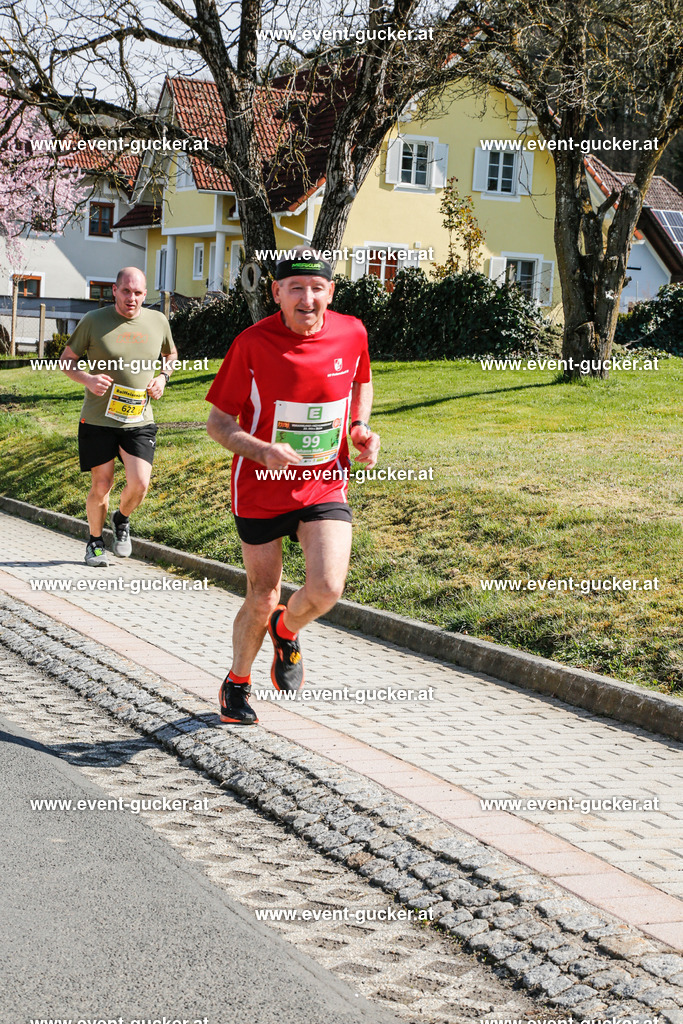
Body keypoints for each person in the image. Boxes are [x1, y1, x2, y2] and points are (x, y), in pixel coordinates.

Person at [206, 249, 380, 725]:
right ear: (277, 292)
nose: (308, 298)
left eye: (317, 288)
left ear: (331, 292)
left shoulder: (352, 331)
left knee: (326, 588)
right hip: (260, 488)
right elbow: (218, 423)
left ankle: (288, 629)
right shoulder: (252, 343)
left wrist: (360, 427)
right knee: (262, 593)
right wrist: (262, 451)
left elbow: (361, 380)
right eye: (296, 288)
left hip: (324, 482)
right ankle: (236, 684)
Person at [60, 267, 177, 566]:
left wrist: (163, 377)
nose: (132, 298)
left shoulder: (158, 320)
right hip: (99, 420)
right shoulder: (93, 321)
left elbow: (171, 355)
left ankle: (121, 518)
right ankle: (95, 543)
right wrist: (87, 379)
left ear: (145, 293)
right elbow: (67, 361)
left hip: (139, 419)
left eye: (138, 293)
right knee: (102, 484)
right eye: (126, 291)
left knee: (140, 483)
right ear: (114, 290)